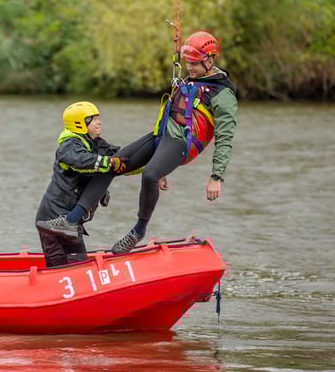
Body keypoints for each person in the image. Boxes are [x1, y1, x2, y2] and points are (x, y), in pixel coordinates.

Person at [36, 31, 238, 254]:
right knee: (113, 163)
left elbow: (225, 136)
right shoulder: (192, 79)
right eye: (187, 62)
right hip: (161, 138)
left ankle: (138, 231)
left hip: (182, 144)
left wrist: (216, 176)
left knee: (150, 175)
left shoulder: (223, 94)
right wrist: (163, 162)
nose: (190, 67)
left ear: (210, 60)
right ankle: (71, 221)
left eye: (195, 63)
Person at [34, 101, 126, 268]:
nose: (99, 122)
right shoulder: (68, 146)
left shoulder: (95, 143)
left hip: (70, 221)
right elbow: (81, 160)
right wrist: (110, 163)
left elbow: (122, 157)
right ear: (80, 124)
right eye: (93, 119)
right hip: (53, 221)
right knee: (66, 267)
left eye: (99, 118)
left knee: (78, 262)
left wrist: (155, 167)